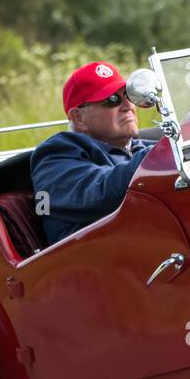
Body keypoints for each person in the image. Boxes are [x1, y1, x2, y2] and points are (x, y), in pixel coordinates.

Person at [30, 61, 157, 245]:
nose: (127, 105)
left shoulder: (140, 147)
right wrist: (165, 149)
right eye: (113, 100)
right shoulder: (56, 154)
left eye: (129, 96)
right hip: (97, 263)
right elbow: (101, 193)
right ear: (78, 117)